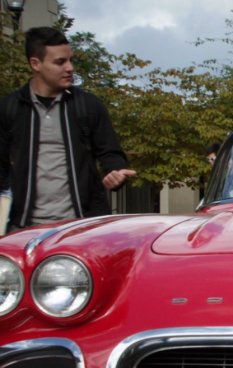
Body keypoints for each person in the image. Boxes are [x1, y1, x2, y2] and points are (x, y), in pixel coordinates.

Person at [0, 27, 134, 231]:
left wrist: (115, 173)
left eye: (71, 60)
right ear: (35, 64)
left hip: (82, 227)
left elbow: (111, 154)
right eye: (60, 62)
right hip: (23, 228)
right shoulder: (10, 108)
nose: (70, 68)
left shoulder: (87, 106)